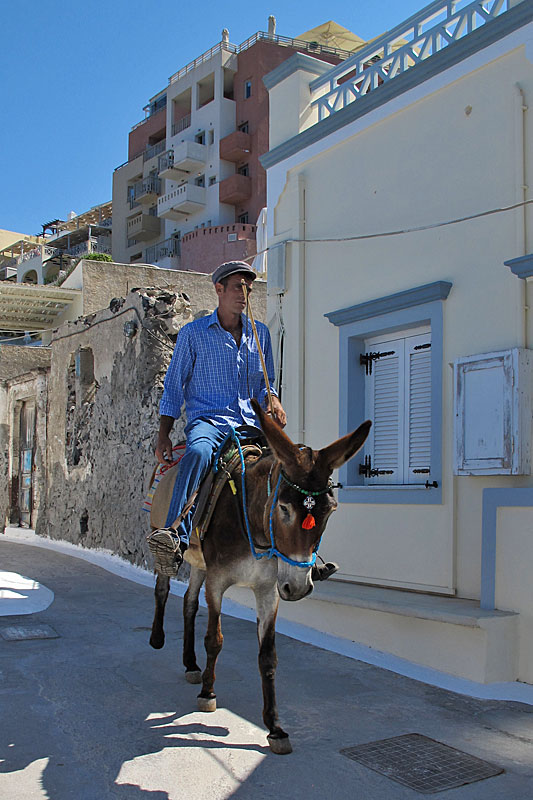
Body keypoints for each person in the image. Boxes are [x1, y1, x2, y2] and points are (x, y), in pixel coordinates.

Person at [150, 260, 337, 581]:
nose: (244, 294)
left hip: (252, 425)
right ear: (219, 289)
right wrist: (164, 432)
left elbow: (267, 385)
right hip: (209, 423)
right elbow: (174, 386)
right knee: (196, 454)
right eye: (237, 287)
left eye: (248, 288)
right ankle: (174, 535)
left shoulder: (259, 334)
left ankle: (308, 553)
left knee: (293, 469)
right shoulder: (193, 335)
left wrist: (273, 400)